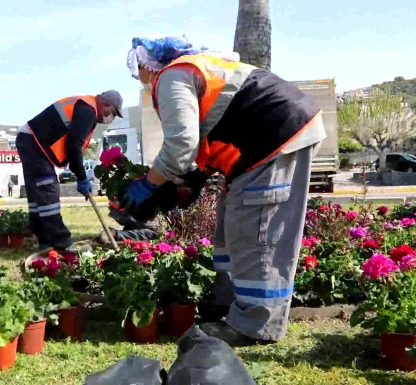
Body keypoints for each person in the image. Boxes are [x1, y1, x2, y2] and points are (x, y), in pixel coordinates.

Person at [121, 37, 327, 346]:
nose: (139, 78)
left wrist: (149, 185)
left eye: (138, 70)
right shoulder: (198, 71)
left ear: (147, 64)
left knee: (255, 229)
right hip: (265, 141)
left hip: (274, 138)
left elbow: (180, 145)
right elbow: (216, 127)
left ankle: (254, 325)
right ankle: (228, 304)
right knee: (231, 227)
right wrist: (193, 180)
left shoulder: (171, 76)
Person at [17, 91, 124, 252]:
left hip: (29, 139)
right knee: (48, 190)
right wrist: (82, 177)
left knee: (37, 193)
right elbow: (74, 146)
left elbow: (73, 144)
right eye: (113, 113)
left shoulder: (86, 106)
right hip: (34, 143)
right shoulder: (88, 110)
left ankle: (44, 239)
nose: (111, 118)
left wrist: (79, 174)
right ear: (106, 105)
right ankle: (62, 243)